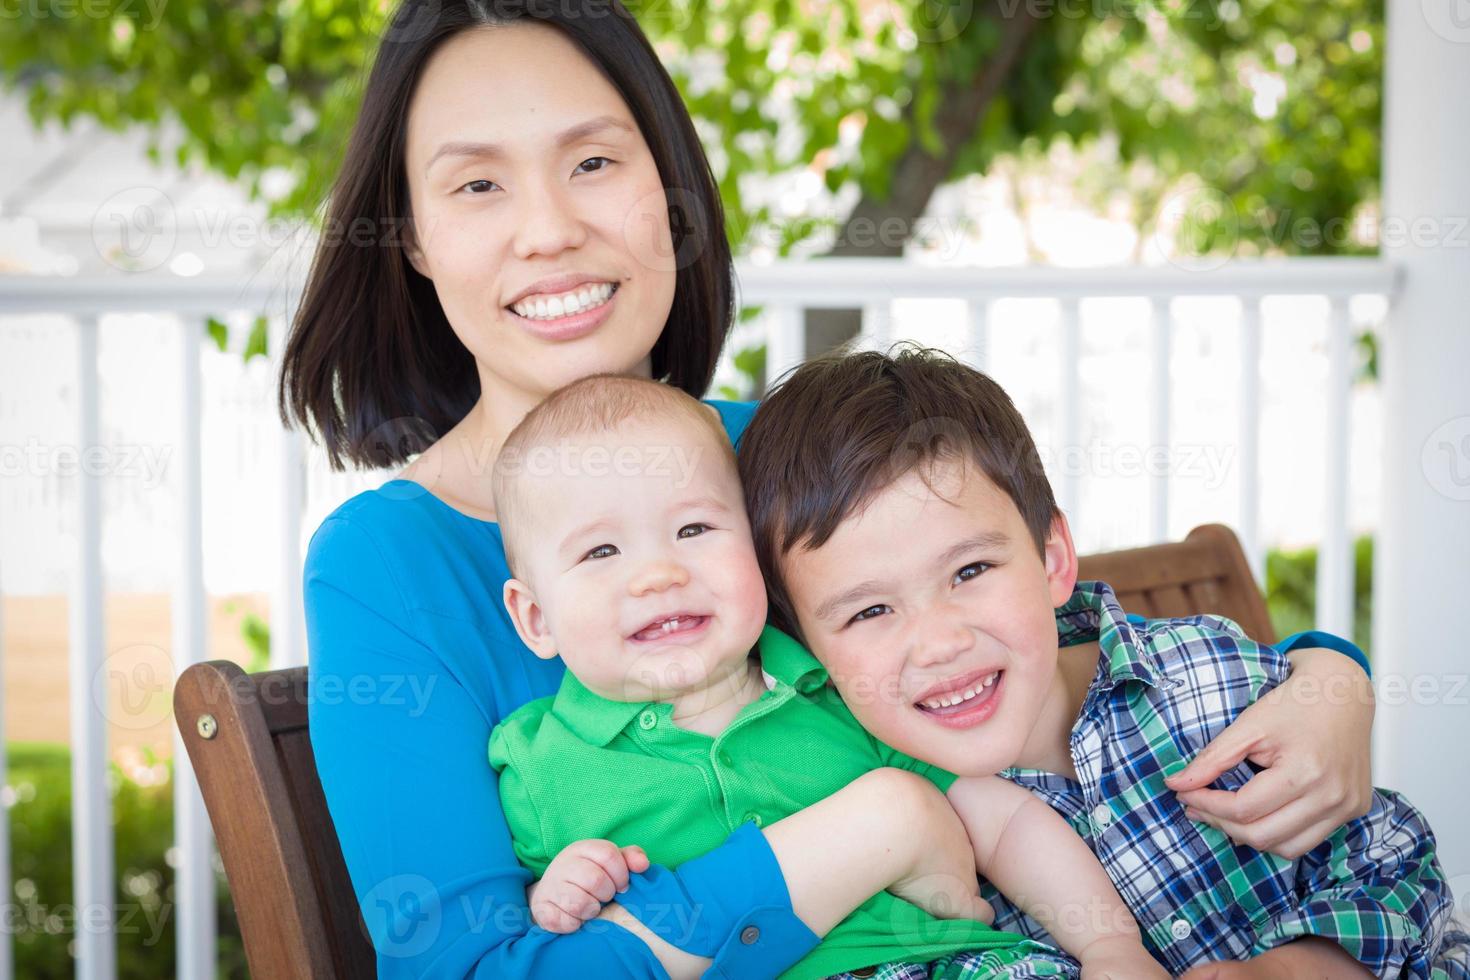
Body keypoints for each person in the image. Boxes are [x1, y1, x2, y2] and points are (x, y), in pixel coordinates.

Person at [279, 0, 1381, 974]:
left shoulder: (775, 449)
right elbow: (468, 968)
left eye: (595, 162)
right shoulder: (392, 562)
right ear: (413, 239)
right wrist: (879, 822)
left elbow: (1046, 619)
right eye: (477, 183)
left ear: (670, 190)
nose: (551, 227)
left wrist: (1330, 679)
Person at [734, 346, 1470, 979]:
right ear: (808, 650)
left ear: (1052, 559)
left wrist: (1311, 963)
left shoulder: (1207, 682)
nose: (938, 643)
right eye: (869, 611)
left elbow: (1393, 856)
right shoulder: (866, 828)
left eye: (970, 572)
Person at [484, 374, 1168, 980]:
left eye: (694, 529)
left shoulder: (843, 692)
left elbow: (1007, 824)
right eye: (602, 550)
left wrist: (1110, 946)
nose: (660, 573)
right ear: (537, 617)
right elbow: (546, 928)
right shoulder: (538, 761)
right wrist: (561, 892)